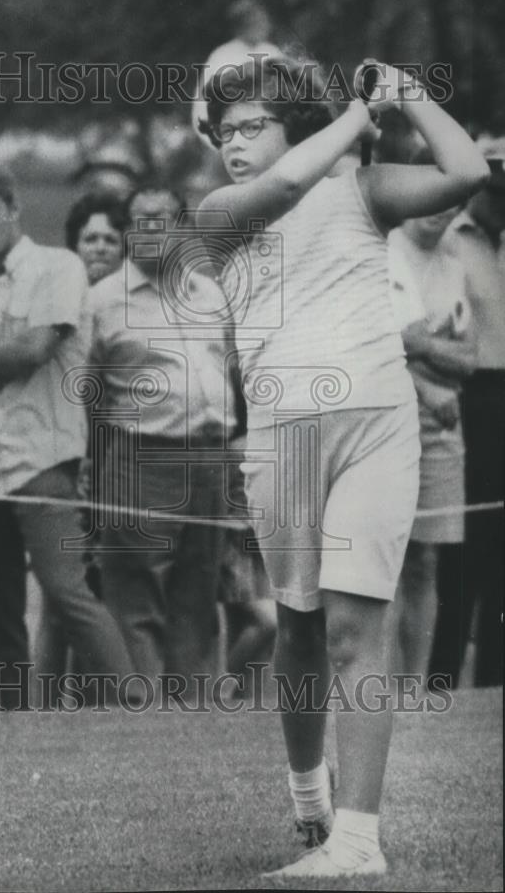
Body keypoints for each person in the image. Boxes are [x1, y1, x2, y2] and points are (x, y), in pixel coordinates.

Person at [197, 55, 489, 878]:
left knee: (359, 624)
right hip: (282, 440)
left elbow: (465, 169)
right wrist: (354, 125)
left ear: (289, 122)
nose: (233, 143)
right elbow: (288, 185)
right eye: (223, 132)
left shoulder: (363, 190)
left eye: (251, 125)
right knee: (296, 626)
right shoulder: (222, 210)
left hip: (376, 429)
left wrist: (406, 95)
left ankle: (357, 839)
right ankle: (307, 796)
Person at [0, 156, 134, 709]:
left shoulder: (58, 267)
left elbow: (34, 348)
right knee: (0, 600)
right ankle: (14, 717)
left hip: (44, 459)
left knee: (65, 590)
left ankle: (133, 704)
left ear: (14, 211)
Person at [88, 184, 239, 697]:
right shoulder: (103, 301)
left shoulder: (210, 294)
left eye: (159, 220)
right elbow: (84, 395)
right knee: (137, 590)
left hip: (211, 460)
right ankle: (144, 713)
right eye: (137, 220)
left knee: (199, 589)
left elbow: (233, 374)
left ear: (181, 229)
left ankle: (192, 715)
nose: (146, 230)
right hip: (140, 457)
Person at [34, 193, 132, 697]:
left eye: (110, 239)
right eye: (88, 238)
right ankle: (46, 697)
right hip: (67, 454)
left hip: (116, 459)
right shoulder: (60, 301)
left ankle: (95, 697)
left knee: (104, 589)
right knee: (62, 591)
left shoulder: (126, 306)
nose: (98, 248)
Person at [388, 211, 476, 681]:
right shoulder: (380, 250)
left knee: (426, 558)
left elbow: (467, 358)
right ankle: (379, 684)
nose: (437, 208)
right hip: (389, 413)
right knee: (388, 559)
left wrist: (418, 346)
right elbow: (377, 342)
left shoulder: (452, 265)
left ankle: (414, 689)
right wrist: (426, 384)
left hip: (443, 426)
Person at [430, 156, 505, 688]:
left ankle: (494, 681)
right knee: (462, 546)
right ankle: (441, 678)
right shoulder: (449, 236)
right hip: (469, 394)